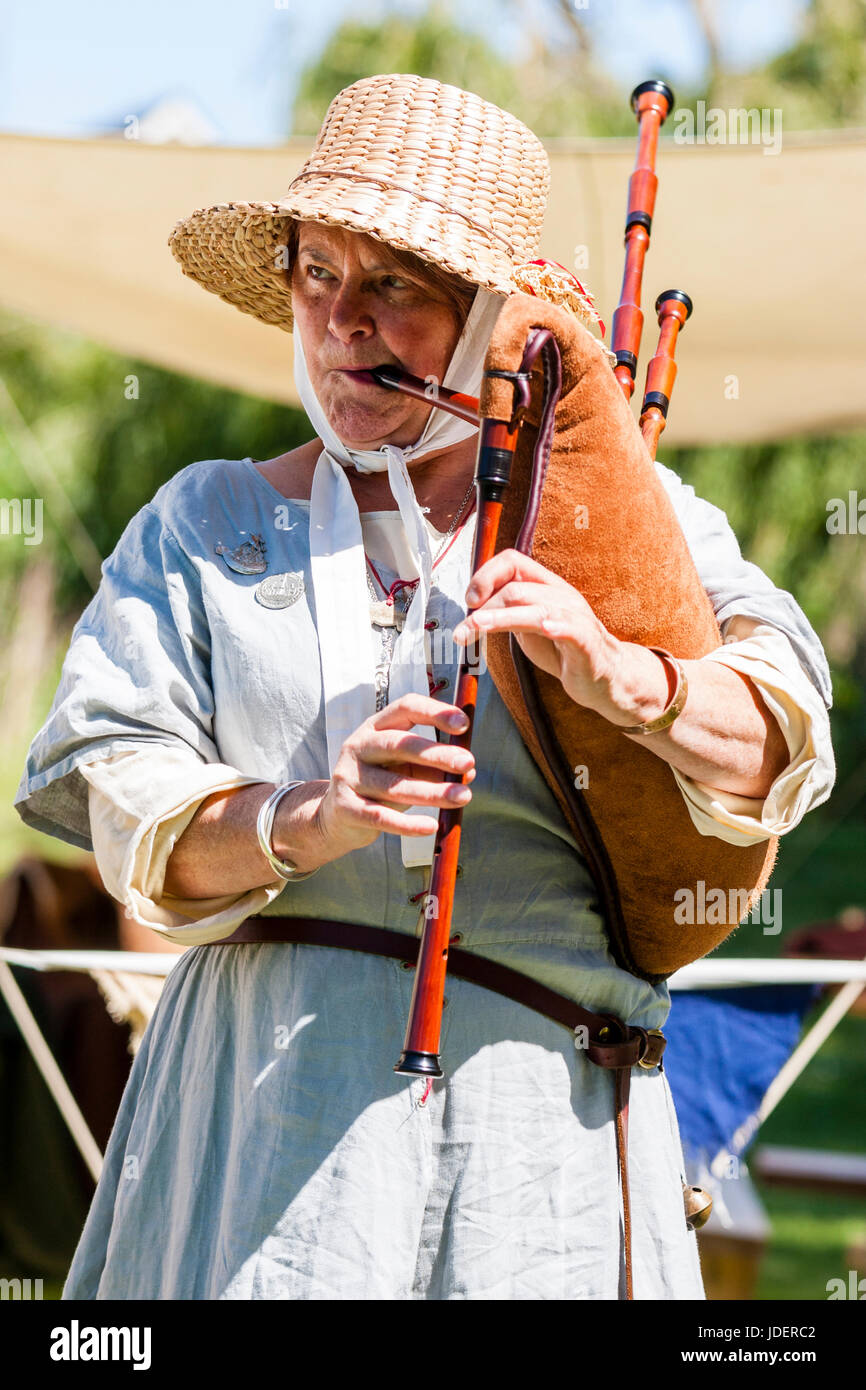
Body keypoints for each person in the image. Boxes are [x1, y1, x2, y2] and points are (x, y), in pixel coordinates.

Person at [16, 73, 834, 1301]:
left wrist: (630, 678)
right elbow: (122, 804)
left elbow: (781, 741)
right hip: (256, 1145)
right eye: (315, 274)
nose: (342, 321)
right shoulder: (204, 522)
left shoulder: (637, 522)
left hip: (537, 1160)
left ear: (485, 311)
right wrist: (309, 814)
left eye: (392, 283)